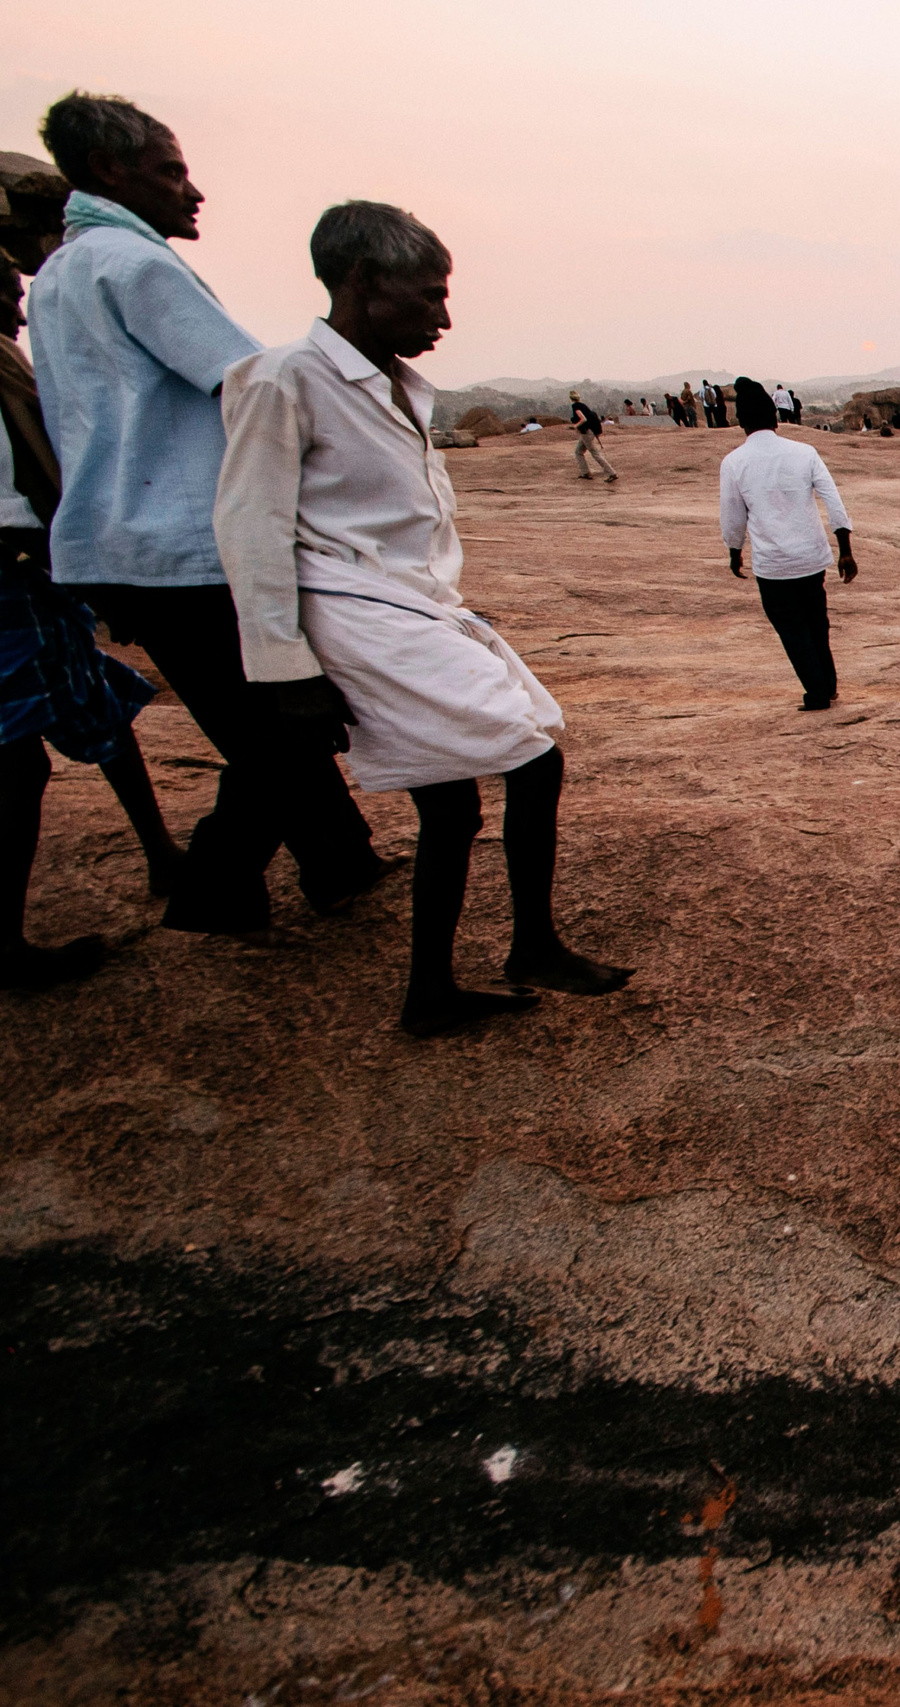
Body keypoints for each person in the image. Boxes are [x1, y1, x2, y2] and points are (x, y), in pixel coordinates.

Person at [214, 200, 631, 1037]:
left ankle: (431, 991)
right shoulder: (285, 379)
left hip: (414, 607)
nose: (443, 316)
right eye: (429, 295)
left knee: (451, 805)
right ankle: (532, 944)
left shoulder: (395, 387)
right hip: (355, 611)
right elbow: (249, 527)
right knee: (532, 755)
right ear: (364, 281)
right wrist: (284, 667)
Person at [29, 90, 386, 936]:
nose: (191, 191)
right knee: (282, 721)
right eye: (171, 171)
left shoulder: (56, 276)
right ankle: (220, 884)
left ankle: (340, 857)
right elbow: (247, 381)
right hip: (185, 539)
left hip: (116, 538)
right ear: (110, 171)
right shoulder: (135, 264)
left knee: (258, 717)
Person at [2, 252, 186, 987]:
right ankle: (7, 944)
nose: (18, 310)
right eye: (6, 293)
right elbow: (31, 475)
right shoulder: (4, 367)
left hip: (32, 575)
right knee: (16, 758)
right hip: (16, 575)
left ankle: (161, 850)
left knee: (100, 703)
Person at [720, 378, 856, 710]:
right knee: (816, 623)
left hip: (773, 564)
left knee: (793, 630)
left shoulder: (735, 462)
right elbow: (833, 501)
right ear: (776, 417)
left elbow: (733, 515)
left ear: (741, 421)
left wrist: (735, 551)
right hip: (810, 557)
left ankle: (818, 691)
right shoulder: (804, 452)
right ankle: (829, 683)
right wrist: (845, 550)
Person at [567, 390, 617, 482]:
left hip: (586, 433)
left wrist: (575, 426)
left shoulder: (575, 406)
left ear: (571, 399)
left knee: (595, 453)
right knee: (578, 451)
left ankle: (611, 473)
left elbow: (583, 419)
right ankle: (585, 472)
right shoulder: (583, 405)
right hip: (589, 432)